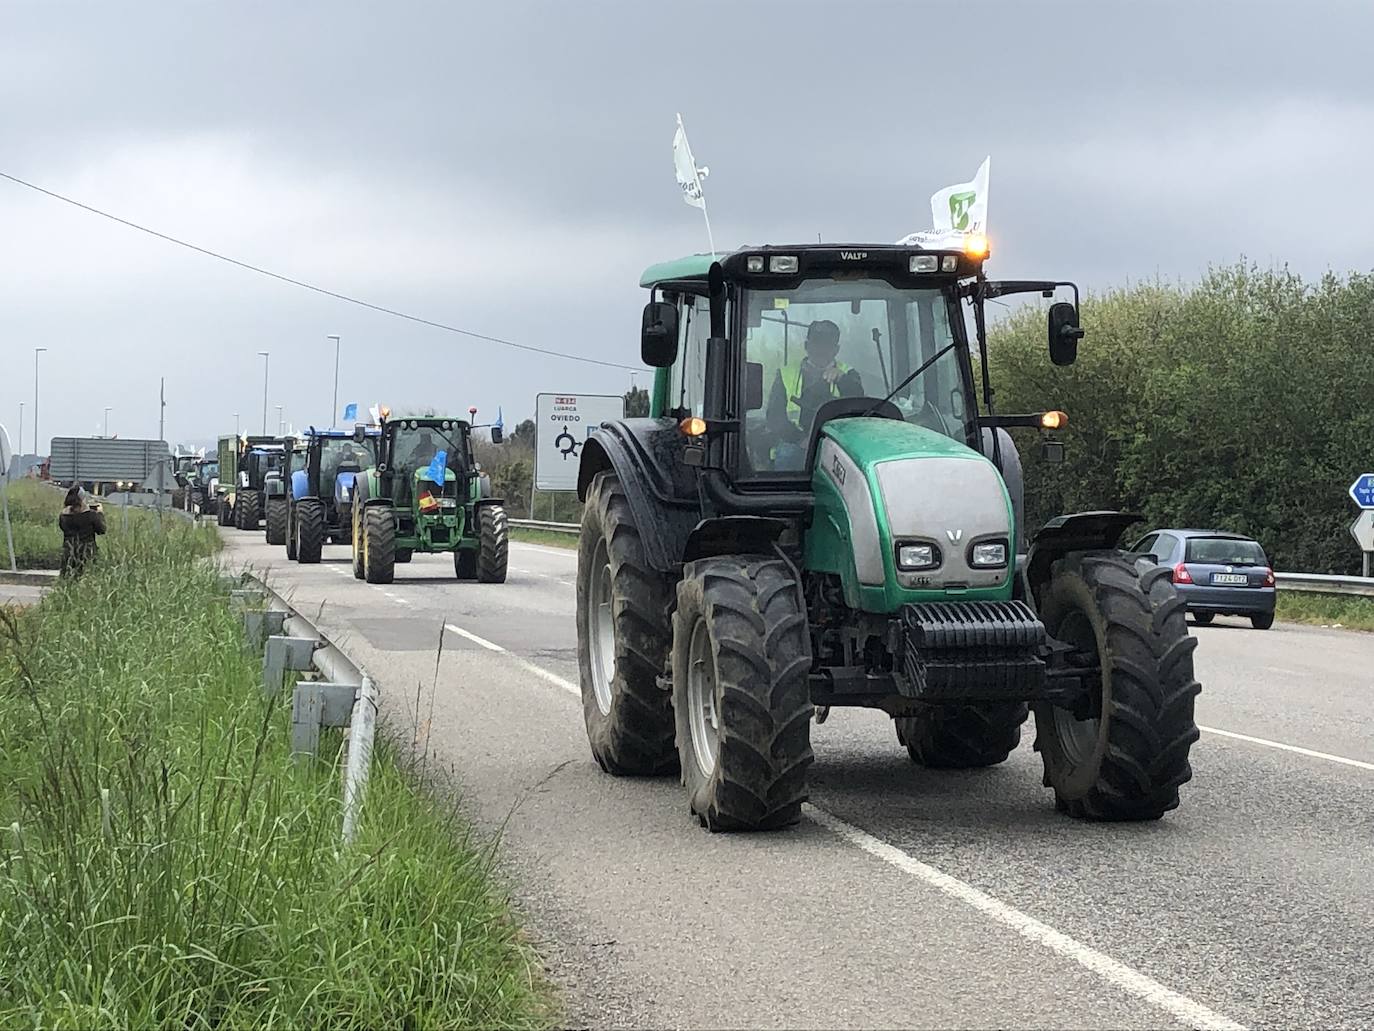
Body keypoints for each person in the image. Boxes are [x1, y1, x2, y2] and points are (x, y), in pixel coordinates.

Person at [765, 319, 865, 468]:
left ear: (836, 350)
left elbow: (860, 407)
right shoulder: (785, 374)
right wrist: (801, 439)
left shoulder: (849, 375)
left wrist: (842, 379)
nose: (821, 350)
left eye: (827, 346)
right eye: (816, 344)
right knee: (786, 454)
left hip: (838, 443)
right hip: (796, 443)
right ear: (807, 346)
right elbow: (774, 417)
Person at [58, 486, 107, 577]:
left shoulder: (63, 516)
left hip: (69, 552)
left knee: (68, 579)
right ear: (82, 499)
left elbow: (63, 528)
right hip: (87, 552)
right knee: (86, 577)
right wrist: (100, 513)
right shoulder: (91, 515)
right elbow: (102, 530)